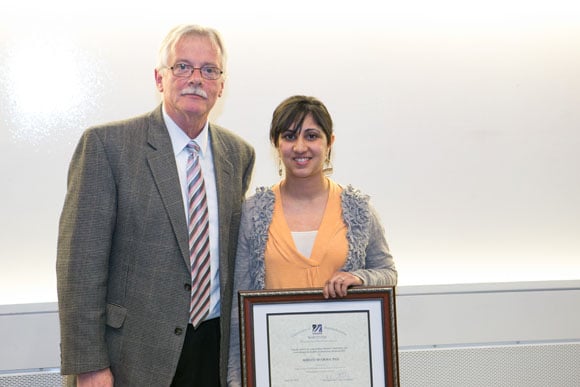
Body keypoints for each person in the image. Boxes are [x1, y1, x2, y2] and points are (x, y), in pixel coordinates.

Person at [56, 24, 255, 387]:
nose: (196, 78)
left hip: (213, 352)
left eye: (209, 70)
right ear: (159, 78)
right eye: (183, 66)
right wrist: (89, 366)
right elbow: (79, 266)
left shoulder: (238, 155)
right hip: (131, 358)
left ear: (221, 86)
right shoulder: (108, 146)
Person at [227, 95, 397, 385]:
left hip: (343, 372)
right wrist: (237, 378)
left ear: (329, 142)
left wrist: (359, 279)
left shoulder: (358, 210)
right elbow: (237, 307)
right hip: (275, 373)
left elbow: (388, 275)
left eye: (312, 136)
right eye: (289, 136)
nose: (300, 147)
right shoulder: (253, 213)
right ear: (276, 143)